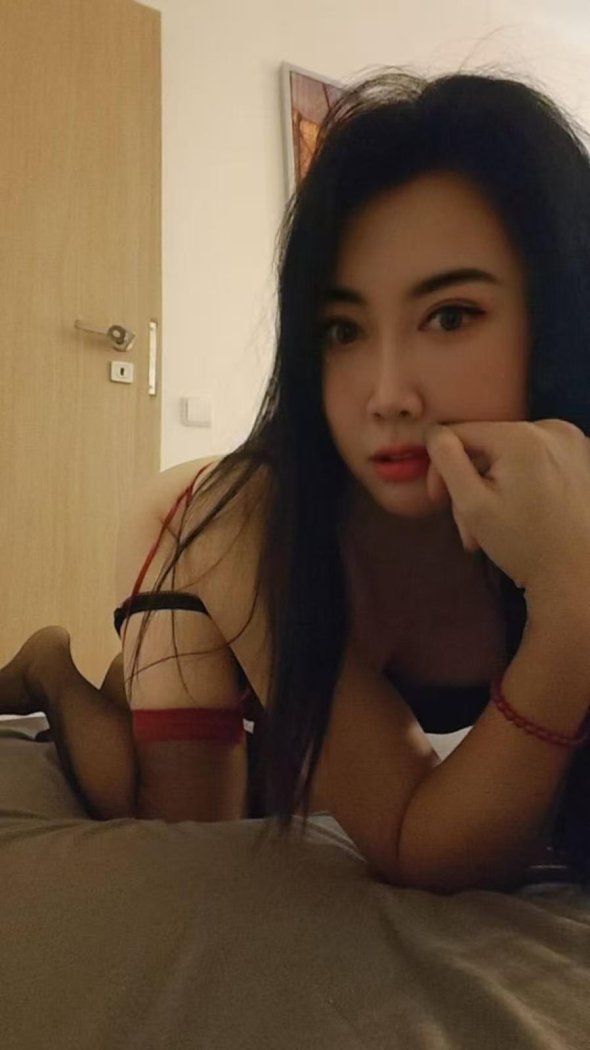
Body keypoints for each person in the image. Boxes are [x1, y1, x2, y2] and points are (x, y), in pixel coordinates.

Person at [2, 66, 590, 894]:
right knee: (184, 815)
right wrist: (572, 603)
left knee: (292, 767)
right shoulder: (246, 521)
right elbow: (418, 840)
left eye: (450, 316)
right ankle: (50, 667)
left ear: (558, 318)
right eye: (342, 329)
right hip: (192, 525)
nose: (387, 394)